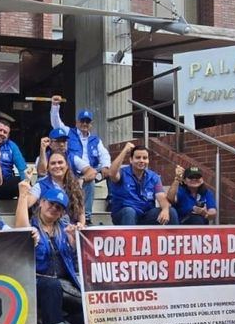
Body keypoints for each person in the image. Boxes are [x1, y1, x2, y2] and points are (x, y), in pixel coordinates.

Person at [15, 181, 82, 324]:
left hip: (64, 287)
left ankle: (47, 321)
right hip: (36, 283)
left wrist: (73, 243)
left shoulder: (64, 229)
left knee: (89, 313)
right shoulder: (32, 227)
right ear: (41, 203)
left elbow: (75, 263)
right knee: (51, 285)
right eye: (51, 203)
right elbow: (20, 228)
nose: (54, 208)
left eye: (59, 207)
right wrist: (22, 195)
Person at [51, 95, 111, 223]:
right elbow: (56, 124)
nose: (84, 124)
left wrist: (105, 166)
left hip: (88, 172)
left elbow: (104, 154)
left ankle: (89, 216)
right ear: (77, 122)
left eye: (87, 122)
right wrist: (55, 107)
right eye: (82, 121)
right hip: (71, 170)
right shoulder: (68, 132)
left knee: (112, 171)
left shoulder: (96, 139)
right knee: (90, 181)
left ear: (91, 124)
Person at [108, 143, 177, 226]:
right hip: (124, 214)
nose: (141, 160)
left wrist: (165, 210)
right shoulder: (122, 173)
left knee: (171, 211)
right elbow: (111, 173)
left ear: (148, 160)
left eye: (145, 158)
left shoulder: (153, 177)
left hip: (145, 215)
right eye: (138, 158)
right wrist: (125, 150)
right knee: (129, 212)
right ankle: (130, 239)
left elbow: (161, 197)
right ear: (131, 160)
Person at [35, 151, 88, 228]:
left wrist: (81, 225)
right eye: (53, 163)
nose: (57, 166)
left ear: (67, 166)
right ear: (48, 168)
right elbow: (26, 204)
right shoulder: (40, 185)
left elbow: (81, 213)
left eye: (60, 162)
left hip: (70, 230)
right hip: (47, 230)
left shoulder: (75, 185)